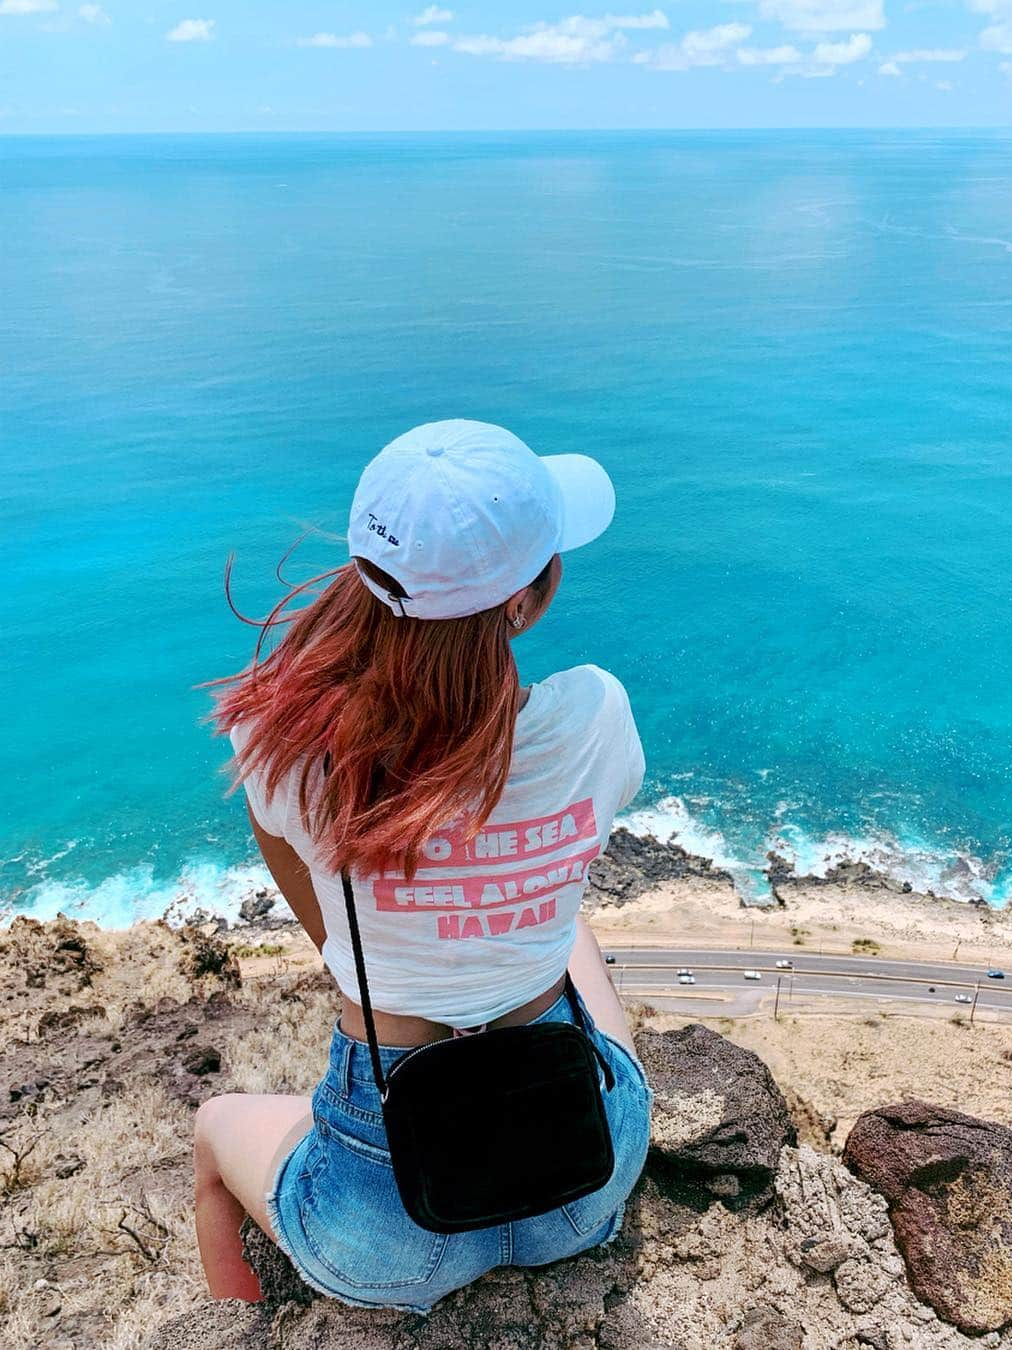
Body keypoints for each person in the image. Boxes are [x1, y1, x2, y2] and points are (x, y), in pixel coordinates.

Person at [195, 418, 653, 1312]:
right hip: (586, 1184)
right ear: (535, 593)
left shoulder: (286, 748)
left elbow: (309, 885)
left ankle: (233, 1323)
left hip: (384, 1232)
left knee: (214, 1128)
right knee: (570, 930)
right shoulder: (595, 713)